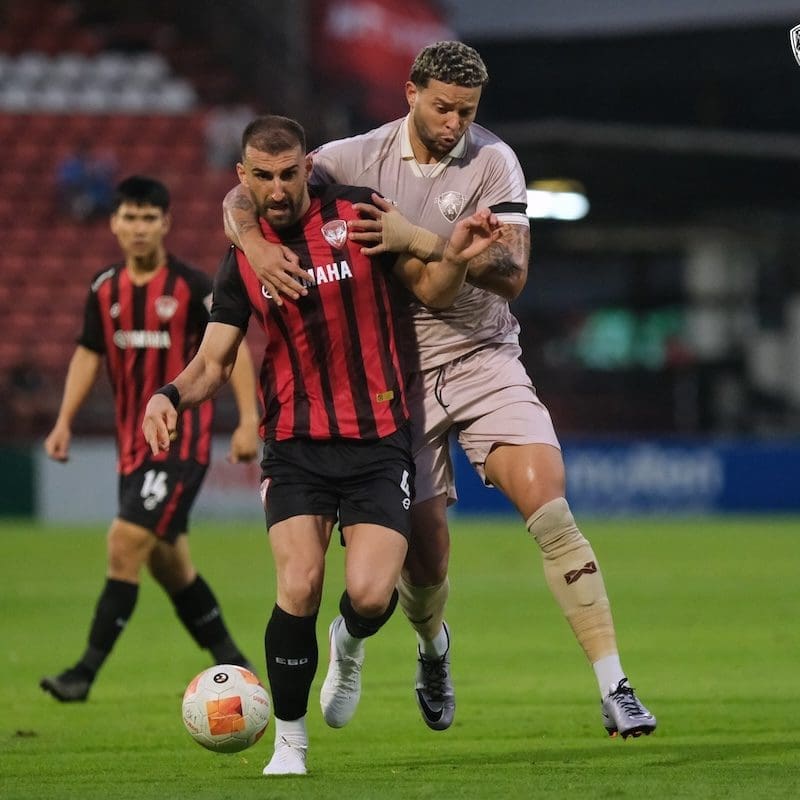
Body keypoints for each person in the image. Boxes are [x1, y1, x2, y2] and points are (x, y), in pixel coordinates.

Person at [222, 41, 657, 739]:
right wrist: (254, 244)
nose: (455, 122)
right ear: (410, 93)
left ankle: (616, 687)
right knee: (424, 565)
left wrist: (415, 236)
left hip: (484, 355)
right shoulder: (351, 158)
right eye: (443, 106)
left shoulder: (495, 161)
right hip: (397, 378)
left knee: (549, 503)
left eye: (467, 111)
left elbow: (511, 274)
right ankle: (432, 650)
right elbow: (246, 193)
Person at [143, 115, 500, 775]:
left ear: (308, 167)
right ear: (242, 179)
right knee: (299, 582)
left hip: (377, 439)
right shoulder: (242, 260)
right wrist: (168, 395)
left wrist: (452, 257)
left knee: (369, 595)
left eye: (289, 173)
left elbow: (431, 290)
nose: (278, 189)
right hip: (295, 442)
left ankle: (351, 643)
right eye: (264, 177)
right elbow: (213, 362)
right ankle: (289, 743)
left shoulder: (359, 217)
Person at [40, 175, 260, 703]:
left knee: (123, 543)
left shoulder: (190, 286)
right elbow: (89, 353)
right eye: (129, 217)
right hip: (131, 450)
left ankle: (83, 674)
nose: (138, 227)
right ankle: (236, 663)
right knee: (169, 565)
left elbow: (234, 351)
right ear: (114, 223)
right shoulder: (104, 289)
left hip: (179, 445)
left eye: (148, 218)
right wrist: (64, 421)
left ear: (165, 223)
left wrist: (249, 420)